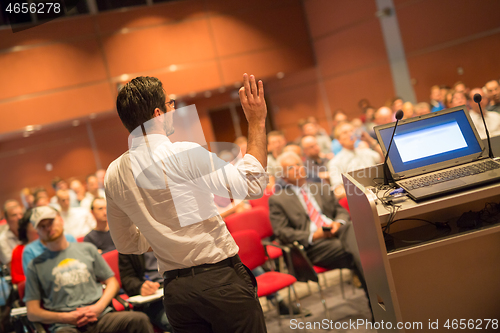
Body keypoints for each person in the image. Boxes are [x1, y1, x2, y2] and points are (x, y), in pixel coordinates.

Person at [105, 74, 269, 333]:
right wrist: (257, 122)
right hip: (220, 282)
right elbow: (252, 185)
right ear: (158, 113)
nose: (173, 109)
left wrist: (161, 237)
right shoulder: (182, 152)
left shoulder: (114, 172)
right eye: (170, 104)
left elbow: (125, 244)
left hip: (176, 292)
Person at [24, 206, 153, 333]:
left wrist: (99, 307)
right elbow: (33, 312)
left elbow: (112, 282)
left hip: (101, 316)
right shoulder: (35, 266)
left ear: (60, 220)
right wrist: (65, 317)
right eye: (42, 226)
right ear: (37, 232)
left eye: (51, 222)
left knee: (138, 320)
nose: (48, 228)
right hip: (65, 325)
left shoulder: (87, 249)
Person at [268, 152, 369, 310]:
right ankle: (377, 305)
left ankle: (377, 308)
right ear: (283, 176)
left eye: (298, 165)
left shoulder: (320, 187)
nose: (297, 169)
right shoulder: (278, 200)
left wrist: (338, 223)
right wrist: (313, 235)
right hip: (314, 246)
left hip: (339, 232)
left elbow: (340, 211)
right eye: (290, 167)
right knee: (363, 254)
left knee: (353, 234)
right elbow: (282, 232)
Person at [118, 252, 172, 332]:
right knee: (179, 322)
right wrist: (140, 287)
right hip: (153, 300)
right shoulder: (128, 246)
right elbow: (127, 278)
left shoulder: (170, 240)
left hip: (175, 287)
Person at [328, 122, 382, 199]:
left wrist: (369, 140)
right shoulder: (335, 162)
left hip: (380, 192)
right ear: (339, 140)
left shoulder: (365, 151)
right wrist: (364, 195)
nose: (350, 134)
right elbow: (338, 191)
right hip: (359, 198)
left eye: (351, 131)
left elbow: (385, 158)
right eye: (345, 133)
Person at [10, 209, 39, 285]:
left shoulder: (49, 245)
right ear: (26, 228)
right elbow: (16, 278)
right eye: (34, 224)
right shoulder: (19, 250)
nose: (39, 229)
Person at [0, 200, 23, 266]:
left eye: (21, 214)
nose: (19, 217)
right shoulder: (2, 240)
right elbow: (12, 267)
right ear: (6, 219)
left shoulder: (29, 233)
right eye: (14, 215)